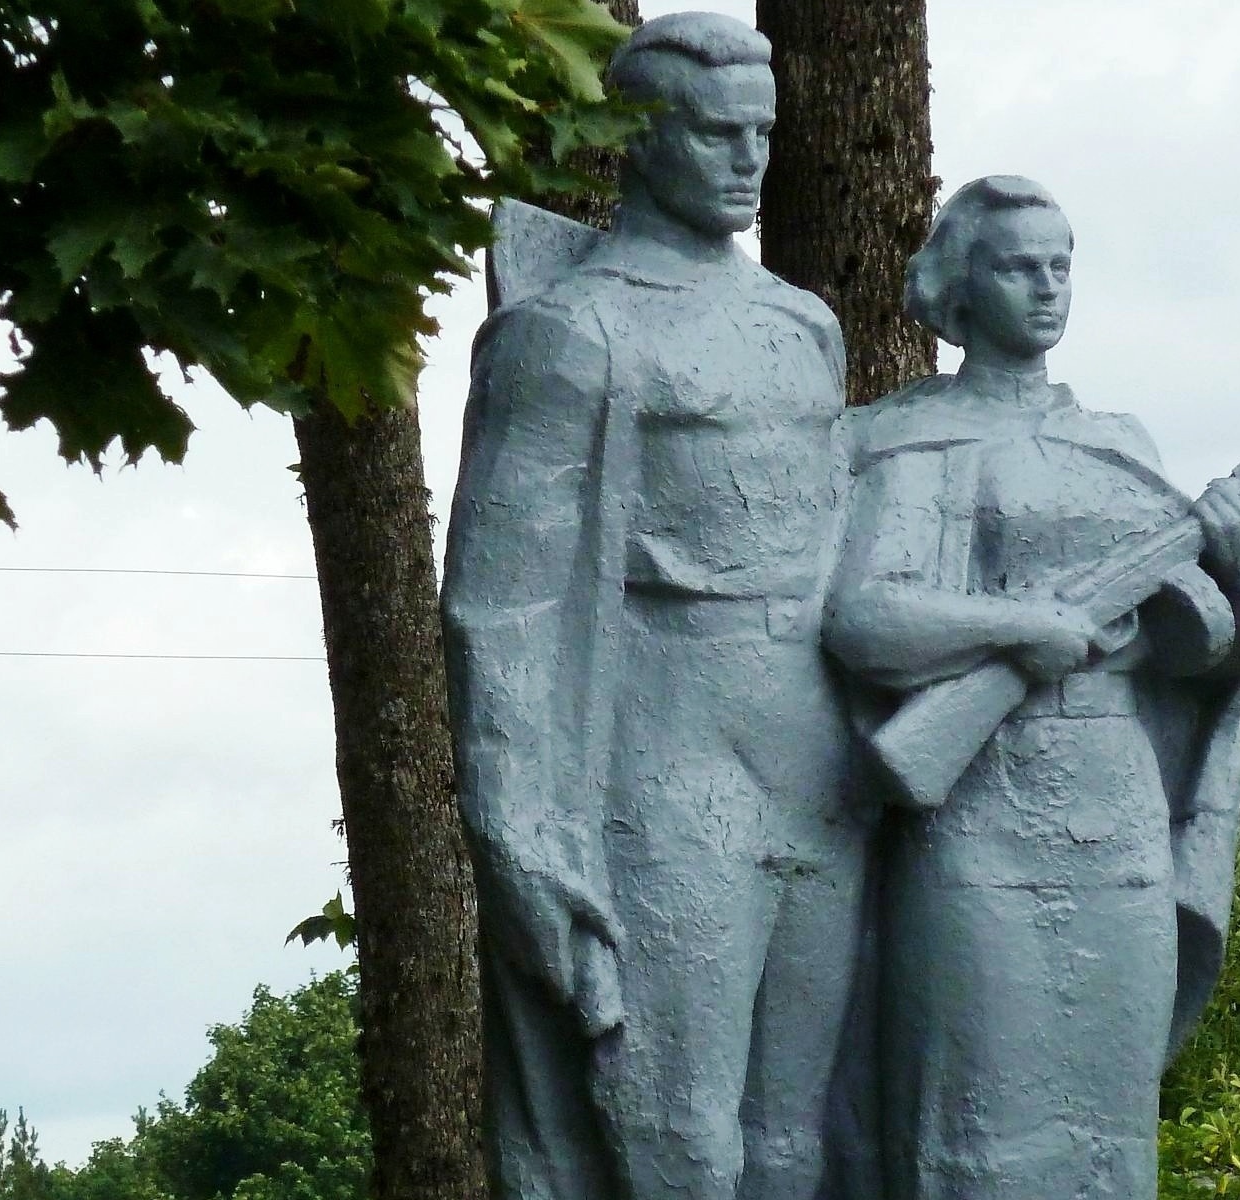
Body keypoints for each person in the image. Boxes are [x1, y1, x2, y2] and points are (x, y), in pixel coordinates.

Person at [441, 13, 870, 1200]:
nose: (747, 159)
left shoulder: (805, 326)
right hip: (663, 766)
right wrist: (522, 838)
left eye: (763, 135)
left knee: (801, 1134)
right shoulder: (571, 334)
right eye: (715, 133)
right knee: (674, 1133)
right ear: (638, 136)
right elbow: (501, 615)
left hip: (816, 766)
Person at [823, 176, 1240, 1200]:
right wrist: (1026, 628)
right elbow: (866, 619)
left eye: (1060, 265)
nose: (1046, 288)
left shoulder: (1120, 445)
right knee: (974, 1122)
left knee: (1107, 1130)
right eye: (1018, 266)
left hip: (1115, 809)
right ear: (960, 281)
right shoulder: (908, 438)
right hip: (979, 807)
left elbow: (1211, 660)